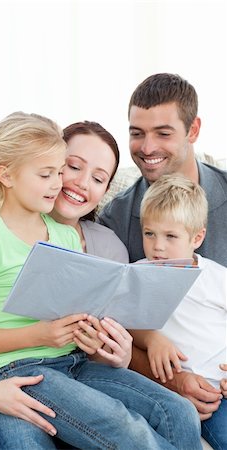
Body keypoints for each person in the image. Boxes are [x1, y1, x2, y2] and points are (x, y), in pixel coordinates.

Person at [0, 114, 202, 450]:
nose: (59, 184)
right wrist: (39, 334)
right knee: (123, 426)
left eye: (58, 173)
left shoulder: (66, 236)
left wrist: (95, 334)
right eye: (50, 173)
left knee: (179, 411)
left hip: (75, 363)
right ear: (6, 174)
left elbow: (76, 313)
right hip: (23, 368)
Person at [98, 72, 227, 420]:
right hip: (178, 386)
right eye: (137, 133)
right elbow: (106, 325)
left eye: (163, 133)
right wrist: (173, 380)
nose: (148, 147)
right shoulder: (117, 218)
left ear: (194, 130)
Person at [130, 174, 226, 450]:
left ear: (197, 237)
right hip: (182, 393)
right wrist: (152, 339)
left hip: (220, 385)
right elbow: (123, 322)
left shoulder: (216, 278)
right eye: (149, 233)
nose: (157, 246)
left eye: (170, 236)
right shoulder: (136, 273)